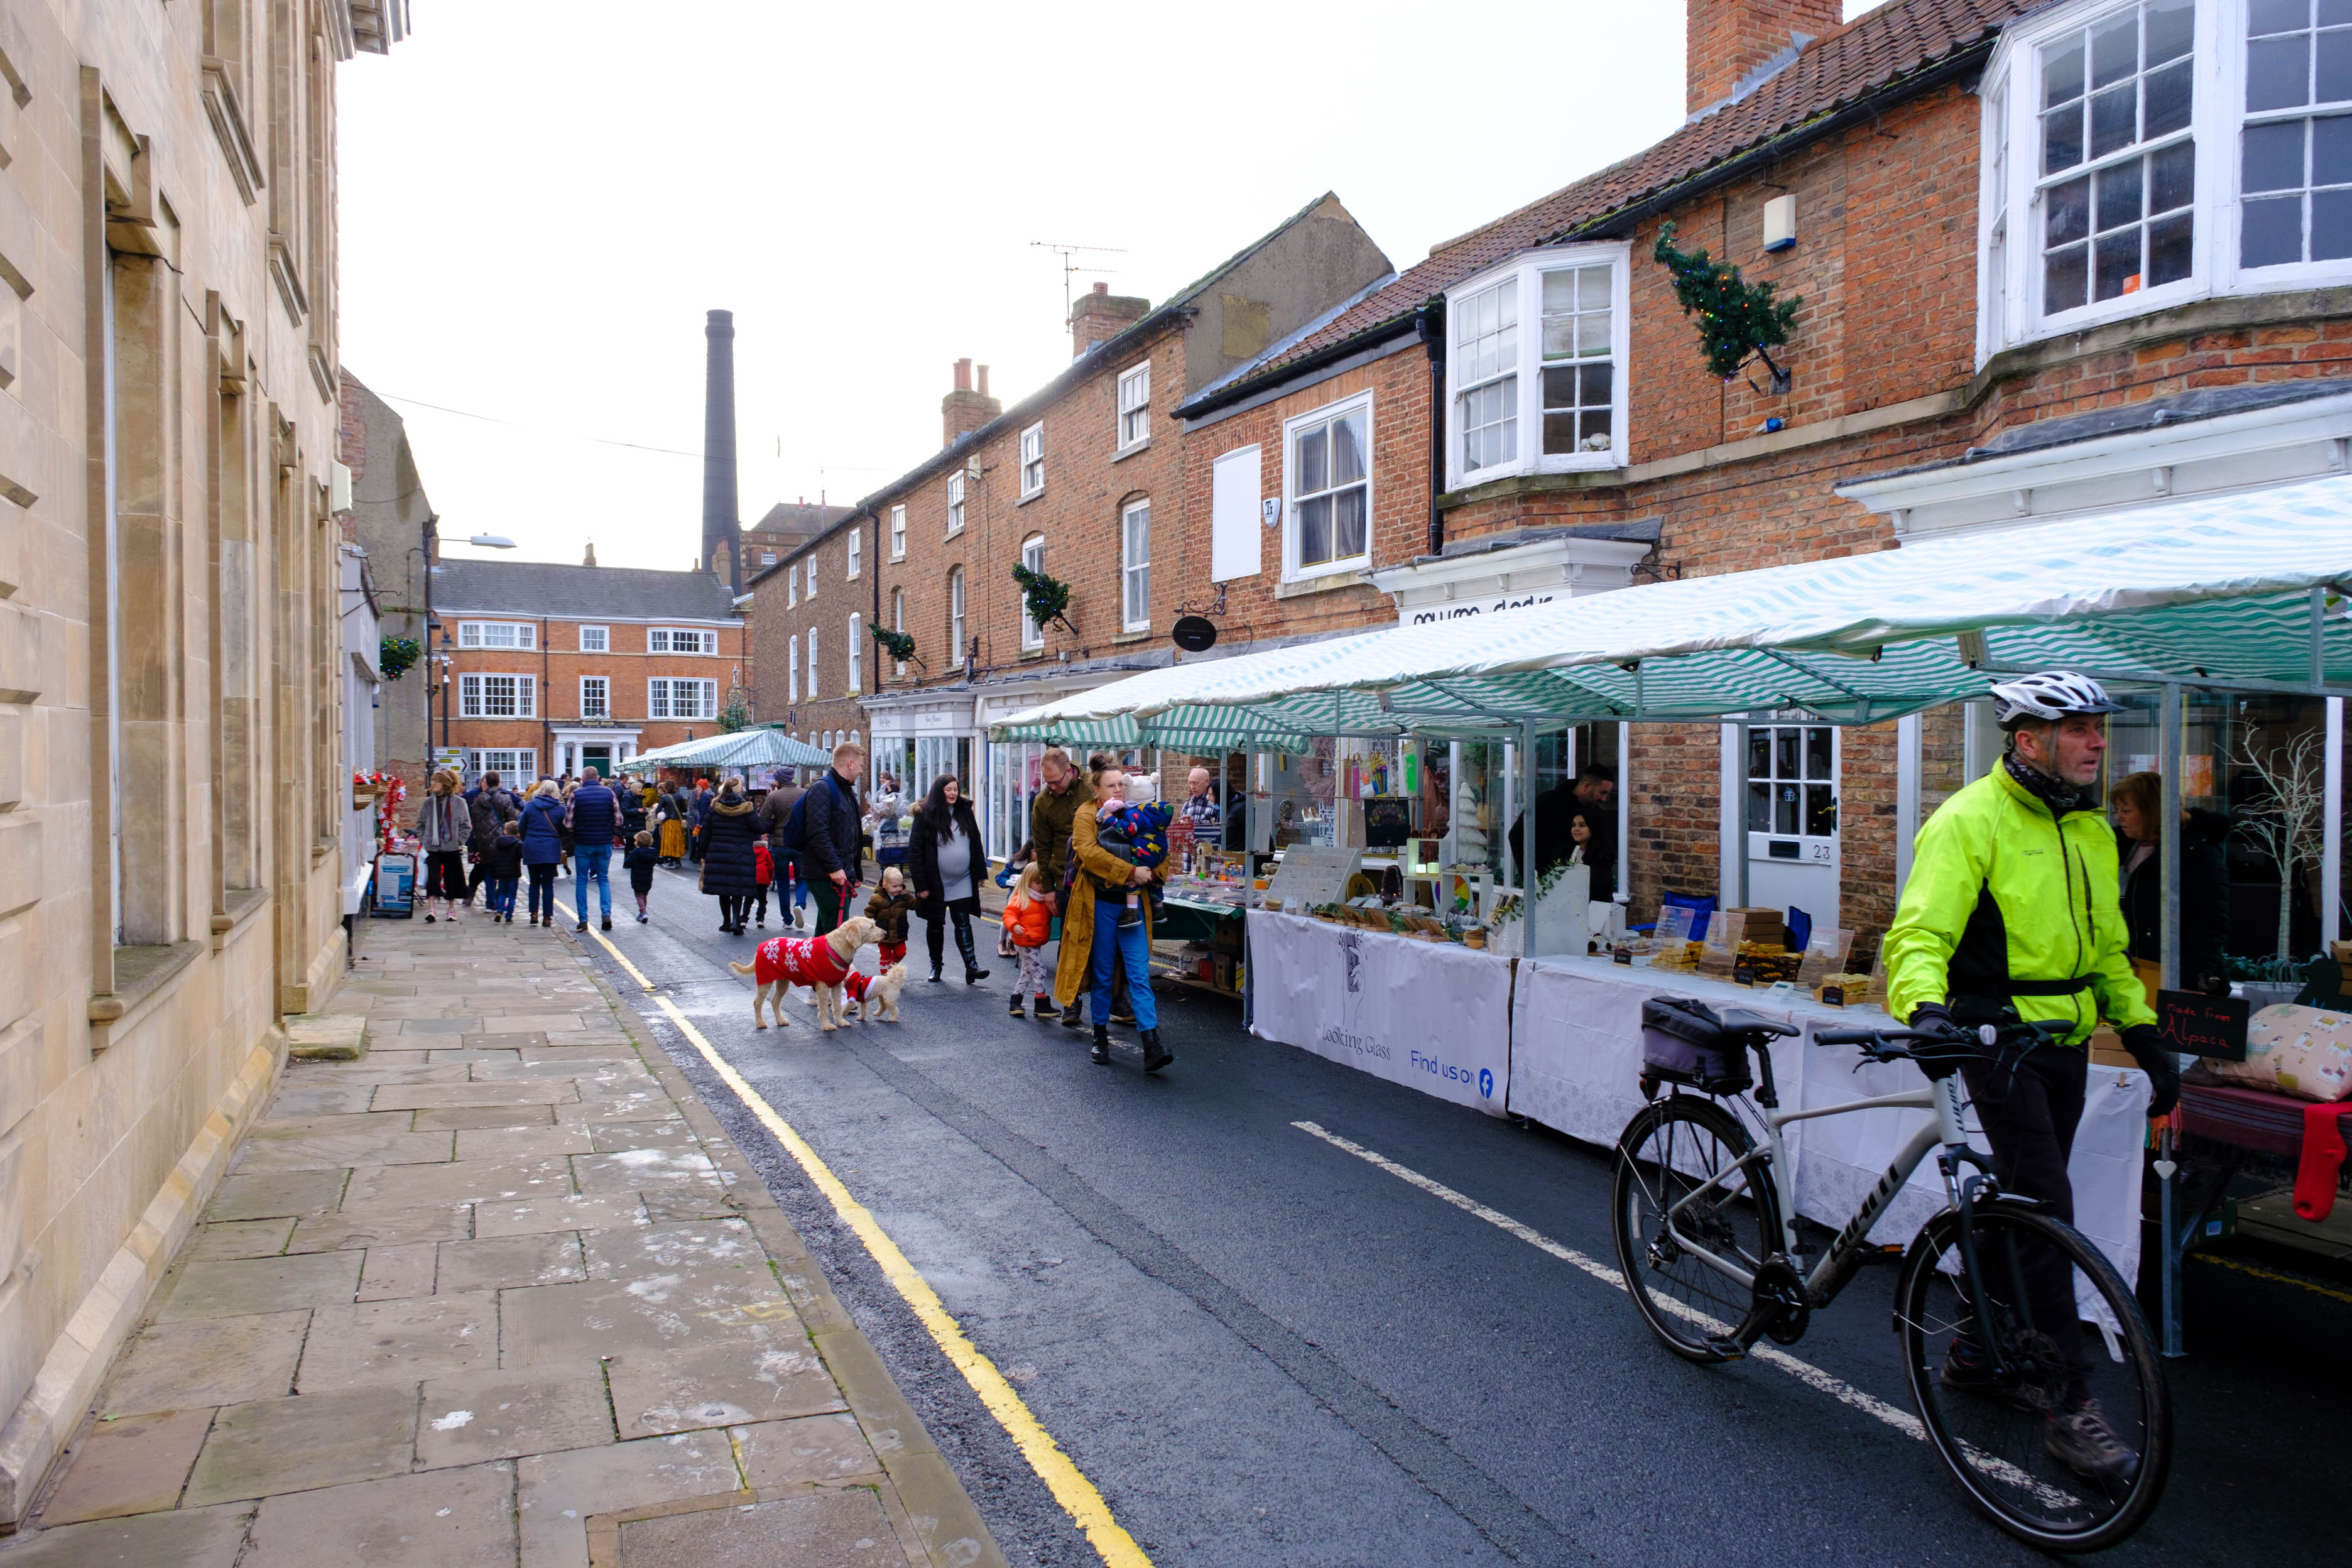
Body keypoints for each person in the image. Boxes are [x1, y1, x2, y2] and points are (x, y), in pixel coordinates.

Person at [1883, 671, 2175, 1484]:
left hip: (2067, 1040)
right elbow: (1920, 933)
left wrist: (2145, 1033)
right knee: (2048, 1202)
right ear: (2027, 739)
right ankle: (2070, 1403)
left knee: (2018, 1201)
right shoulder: (1970, 820)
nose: (2096, 743)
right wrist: (1925, 1010)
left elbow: (2108, 952)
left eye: (2098, 729)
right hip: (1993, 1037)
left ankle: (1979, 1345)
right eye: (2078, 729)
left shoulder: (2088, 831)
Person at [1070, 767, 1172, 1071]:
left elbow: (1161, 853)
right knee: (1102, 974)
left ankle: (1150, 1042)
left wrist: (1152, 871)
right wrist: (1131, 872)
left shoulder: (1138, 813)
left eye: (1120, 785)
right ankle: (1100, 1036)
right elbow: (1089, 854)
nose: (1117, 790)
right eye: (1110, 785)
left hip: (1134, 906)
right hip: (1101, 904)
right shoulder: (1087, 815)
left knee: (1139, 974)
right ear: (1096, 790)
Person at [2110, 770, 2232, 999]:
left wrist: (2191, 979)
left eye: (2126, 811)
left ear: (2152, 812)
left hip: (2175, 979)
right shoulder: (2119, 845)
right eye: (2117, 810)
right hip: (2130, 973)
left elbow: (2212, 921)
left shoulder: (2195, 850)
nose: (2118, 818)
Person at [1027, 747, 1091, 1020]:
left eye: (1056, 781)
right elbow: (1041, 848)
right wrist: (1049, 890)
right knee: (1070, 943)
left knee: (1106, 943)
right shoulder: (1043, 802)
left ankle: (1117, 1001)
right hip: (1065, 883)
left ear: (1069, 771)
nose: (1051, 787)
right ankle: (1071, 1002)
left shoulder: (1091, 787)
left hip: (1097, 879)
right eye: (1046, 782)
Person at [911, 773, 991, 984]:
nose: (953, 793)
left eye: (956, 789)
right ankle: (936, 966)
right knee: (936, 924)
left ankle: (971, 967)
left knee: (963, 922)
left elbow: (975, 842)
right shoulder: (925, 815)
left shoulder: (965, 811)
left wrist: (981, 872)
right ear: (940, 791)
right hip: (936, 882)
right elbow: (916, 851)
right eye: (949, 790)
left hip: (963, 879)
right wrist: (920, 885)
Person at [1508, 763, 1618, 900]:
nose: (1604, 799)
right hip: (1553, 889)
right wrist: (1534, 876)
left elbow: (1606, 849)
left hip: (1593, 892)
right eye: (1602, 793)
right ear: (1586, 787)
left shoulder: (1597, 814)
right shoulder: (1546, 803)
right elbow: (1518, 836)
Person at [800, 741, 867, 935]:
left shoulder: (844, 790)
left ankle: (813, 965)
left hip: (838, 873)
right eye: (861, 765)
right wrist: (835, 868)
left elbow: (850, 834)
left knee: (825, 933)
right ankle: (830, 966)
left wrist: (854, 873)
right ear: (850, 763)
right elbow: (818, 833)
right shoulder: (823, 788)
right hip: (826, 875)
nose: (862, 770)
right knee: (836, 936)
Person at [698, 775, 761, 934]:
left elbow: (706, 832)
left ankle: (726, 922)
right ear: (740, 791)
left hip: (719, 853)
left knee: (724, 889)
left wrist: (703, 853)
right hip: (741, 853)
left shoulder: (714, 807)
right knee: (738, 889)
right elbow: (758, 828)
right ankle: (736, 921)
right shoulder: (746, 807)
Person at [569, 766, 620, 933]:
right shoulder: (609, 793)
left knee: (582, 881)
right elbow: (619, 820)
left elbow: (568, 823)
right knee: (603, 879)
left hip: (583, 843)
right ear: (598, 777)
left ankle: (583, 920)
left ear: (583, 779)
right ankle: (606, 914)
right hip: (604, 842)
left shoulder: (576, 794)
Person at [415, 770, 470, 923]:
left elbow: (466, 826)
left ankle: (451, 910)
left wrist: (459, 841)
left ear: (445, 784)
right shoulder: (428, 803)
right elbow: (420, 824)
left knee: (452, 879)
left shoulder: (460, 803)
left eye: (436, 781)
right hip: (432, 848)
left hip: (452, 848)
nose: (433, 784)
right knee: (433, 878)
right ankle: (431, 909)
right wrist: (424, 840)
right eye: (432, 780)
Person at [757, 768, 807, 931]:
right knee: (803, 878)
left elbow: (763, 820)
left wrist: (774, 824)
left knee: (783, 882)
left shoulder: (773, 796)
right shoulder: (804, 794)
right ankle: (800, 904)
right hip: (800, 843)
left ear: (779, 780)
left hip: (780, 844)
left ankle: (787, 919)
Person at [1003, 862, 1054, 1018]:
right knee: (1040, 971)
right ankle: (1041, 1004)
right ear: (1027, 882)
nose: (1041, 886)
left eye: (1043, 882)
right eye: (1037, 882)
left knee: (1026, 973)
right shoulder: (1022, 899)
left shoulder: (1043, 899)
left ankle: (1016, 1001)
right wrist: (1014, 925)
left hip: (1035, 941)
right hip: (1025, 941)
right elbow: (1009, 914)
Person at [464, 770, 518, 908]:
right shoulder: (505, 798)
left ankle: (490, 904)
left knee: (488, 873)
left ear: (486, 782)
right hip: (502, 841)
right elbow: (512, 820)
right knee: (502, 874)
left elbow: (475, 822)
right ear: (499, 782)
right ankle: (500, 902)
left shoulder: (478, 800)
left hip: (482, 842)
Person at [518, 780, 567, 927]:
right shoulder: (560, 809)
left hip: (532, 846)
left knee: (534, 882)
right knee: (548, 884)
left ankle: (534, 914)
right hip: (551, 849)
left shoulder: (531, 806)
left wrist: (527, 839)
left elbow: (522, 827)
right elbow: (564, 830)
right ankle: (547, 917)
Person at [863, 866, 917, 971]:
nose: (899, 889)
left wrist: (920, 898)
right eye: (895, 886)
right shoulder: (876, 899)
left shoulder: (905, 896)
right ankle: (885, 978)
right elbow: (869, 914)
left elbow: (914, 905)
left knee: (901, 952)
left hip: (899, 933)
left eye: (901, 885)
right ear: (885, 885)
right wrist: (869, 928)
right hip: (883, 936)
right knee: (885, 956)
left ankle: (892, 967)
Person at [483, 819, 524, 924]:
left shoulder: (498, 843)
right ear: (518, 833)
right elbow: (522, 856)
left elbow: (494, 858)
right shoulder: (518, 844)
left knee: (502, 893)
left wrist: (494, 872)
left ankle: (500, 911)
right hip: (513, 873)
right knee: (512, 896)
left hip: (501, 873)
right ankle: (509, 917)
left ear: (505, 831)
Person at [1177, 766, 1222, 844]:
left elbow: (1222, 831)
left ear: (1207, 782)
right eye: (1190, 783)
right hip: (1190, 852)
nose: (1192, 787)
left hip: (1209, 852)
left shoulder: (1215, 803)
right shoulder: (1187, 804)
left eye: (1195, 783)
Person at [624, 830, 658, 923]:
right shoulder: (653, 852)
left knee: (639, 896)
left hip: (637, 877)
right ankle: (642, 913)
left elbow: (627, 863)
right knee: (644, 896)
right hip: (648, 877)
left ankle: (643, 913)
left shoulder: (635, 852)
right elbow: (654, 862)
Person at [752, 837, 776, 929]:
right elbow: (770, 867)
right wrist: (770, 879)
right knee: (763, 901)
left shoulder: (751, 851)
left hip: (752, 877)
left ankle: (743, 920)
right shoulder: (766, 852)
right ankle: (760, 919)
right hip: (763, 878)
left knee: (748, 899)